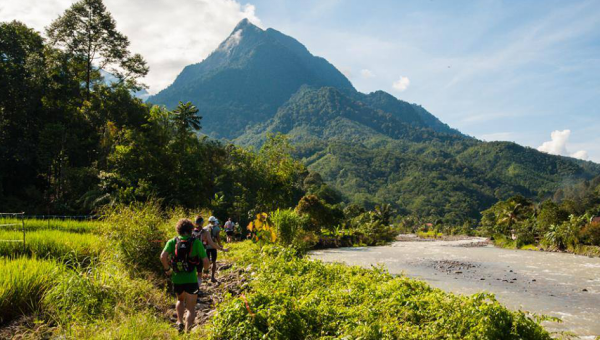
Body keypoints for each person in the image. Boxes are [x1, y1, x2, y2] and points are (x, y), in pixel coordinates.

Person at [160, 218, 209, 333]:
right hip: (191, 279)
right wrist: (205, 272)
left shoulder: (172, 242)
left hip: (177, 278)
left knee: (180, 300)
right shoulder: (196, 242)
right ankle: (187, 332)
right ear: (191, 229)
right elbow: (206, 261)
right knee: (191, 308)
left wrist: (167, 269)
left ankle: (180, 322)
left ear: (178, 230)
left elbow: (163, 257)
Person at [204, 216, 226, 283]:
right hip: (213, 247)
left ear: (208, 221)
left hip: (206, 247)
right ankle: (212, 277)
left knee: (206, 261)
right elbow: (218, 238)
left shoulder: (205, 228)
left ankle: (205, 274)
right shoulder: (216, 228)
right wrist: (220, 245)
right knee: (214, 261)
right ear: (214, 221)